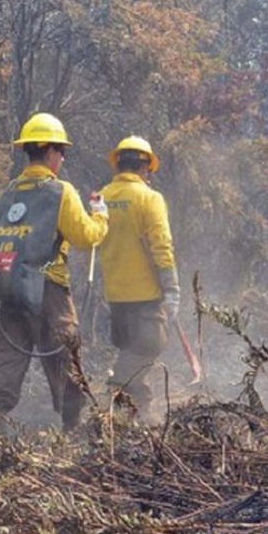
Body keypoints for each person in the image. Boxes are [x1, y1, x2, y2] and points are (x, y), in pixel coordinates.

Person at [0, 112, 108, 435]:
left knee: (8, 358)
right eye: (61, 152)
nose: (62, 158)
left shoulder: (7, 193)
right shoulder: (59, 191)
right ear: (49, 152)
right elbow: (85, 236)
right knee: (65, 360)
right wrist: (101, 217)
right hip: (50, 291)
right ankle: (72, 432)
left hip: (9, 290)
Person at [98, 136, 179, 416]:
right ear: (145, 169)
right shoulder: (150, 198)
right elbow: (162, 245)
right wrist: (172, 289)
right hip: (147, 296)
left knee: (134, 358)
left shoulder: (101, 198)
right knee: (148, 348)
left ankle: (143, 419)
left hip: (116, 298)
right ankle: (113, 394)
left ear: (118, 165)